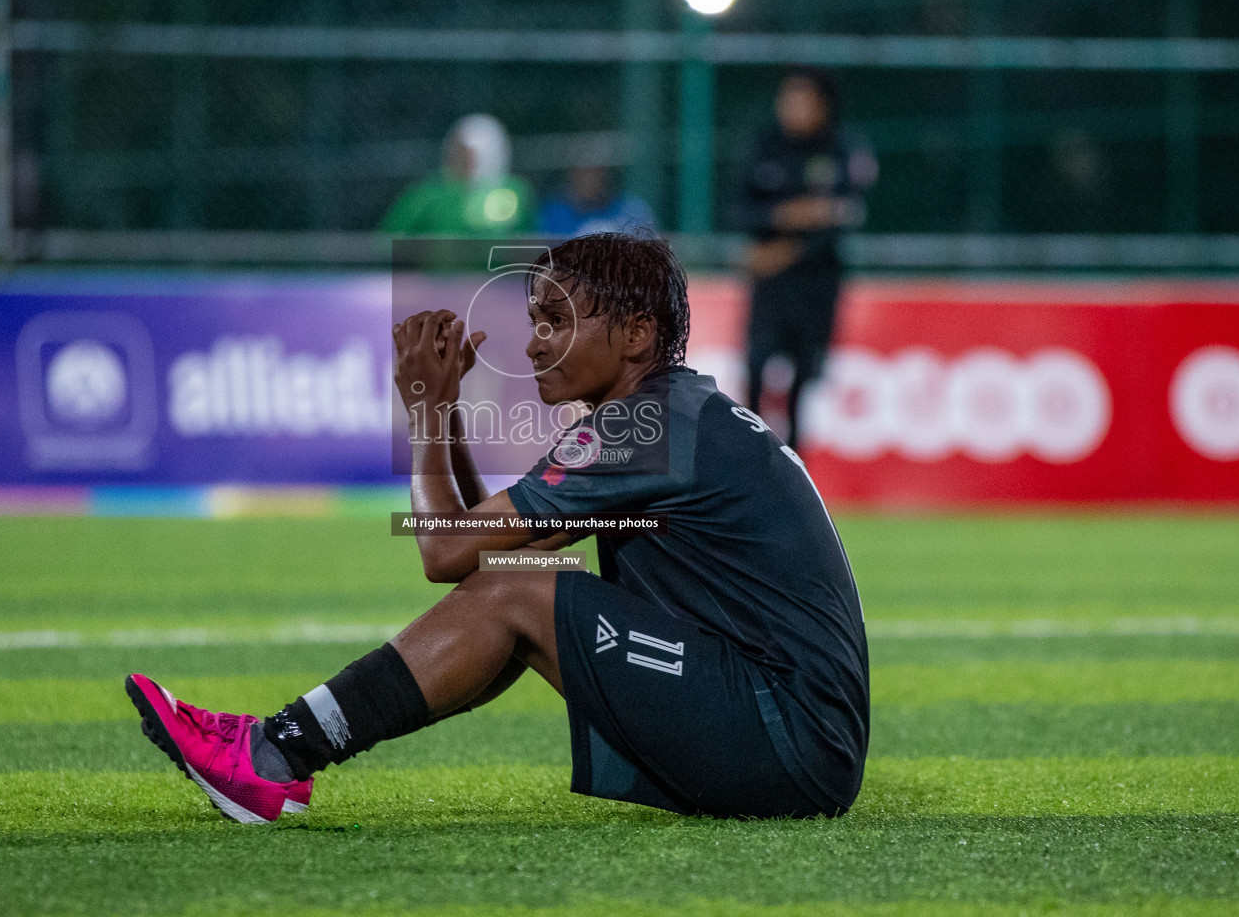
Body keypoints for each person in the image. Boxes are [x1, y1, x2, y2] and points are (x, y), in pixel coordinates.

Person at [126, 231, 869, 823]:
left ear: (638, 335)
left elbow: (445, 551)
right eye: (534, 320)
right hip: (792, 734)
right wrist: (446, 418)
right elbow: (501, 559)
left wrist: (421, 412)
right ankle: (273, 752)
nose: (535, 342)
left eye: (558, 321)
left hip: (785, 738)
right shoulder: (668, 417)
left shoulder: (646, 428)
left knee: (525, 591)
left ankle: (270, 755)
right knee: (526, 581)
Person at [735, 67, 877, 450]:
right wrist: (793, 214)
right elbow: (738, 209)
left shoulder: (844, 150)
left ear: (822, 106)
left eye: (801, 100)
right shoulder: (765, 144)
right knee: (755, 366)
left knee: (804, 377)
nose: (790, 108)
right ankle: (752, 455)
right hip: (769, 286)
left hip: (817, 283)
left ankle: (795, 464)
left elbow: (843, 218)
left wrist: (781, 249)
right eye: (786, 98)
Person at [379, 114, 536, 236]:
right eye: (455, 151)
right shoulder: (430, 193)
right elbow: (389, 240)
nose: (456, 159)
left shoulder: (513, 192)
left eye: (465, 153)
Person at [537, 163, 656, 236]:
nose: (590, 179)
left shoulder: (632, 210)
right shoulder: (555, 213)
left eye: (595, 171)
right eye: (584, 173)